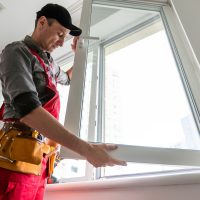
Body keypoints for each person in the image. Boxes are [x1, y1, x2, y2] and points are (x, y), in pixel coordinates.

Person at [0, 3, 126, 200]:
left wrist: (79, 56)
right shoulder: (16, 52)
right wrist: (87, 150)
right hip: (15, 158)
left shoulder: (50, 63)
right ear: (42, 22)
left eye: (65, 37)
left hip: (40, 160)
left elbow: (67, 79)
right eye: (60, 34)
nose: (61, 43)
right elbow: (27, 108)